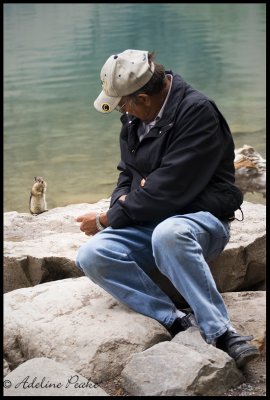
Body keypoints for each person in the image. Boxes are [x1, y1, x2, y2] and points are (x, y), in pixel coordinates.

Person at [75, 49, 259, 368]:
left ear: (144, 97)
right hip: (151, 219)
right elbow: (128, 174)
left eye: (125, 103)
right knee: (91, 256)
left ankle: (222, 332)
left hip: (200, 220)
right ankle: (173, 319)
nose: (123, 110)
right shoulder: (135, 119)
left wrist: (108, 218)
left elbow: (166, 190)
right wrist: (127, 199)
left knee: (169, 233)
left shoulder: (197, 112)